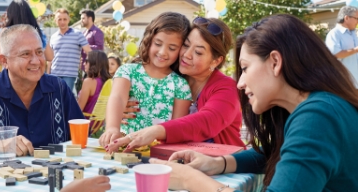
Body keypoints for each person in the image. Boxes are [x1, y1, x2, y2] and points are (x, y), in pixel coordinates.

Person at [151, 14, 358, 192]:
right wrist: (217, 163)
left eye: (246, 68)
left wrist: (191, 180)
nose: (240, 83)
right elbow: (274, 152)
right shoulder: (323, 106)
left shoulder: (318, 117)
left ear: (275, 62)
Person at [104, 17, 245, 151]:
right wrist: (123, 109)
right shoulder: (173, 77)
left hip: (223, 165)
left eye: (198, 52)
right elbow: (121, 98)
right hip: (176, 160)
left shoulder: (227, 88)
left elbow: (207, 122)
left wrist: (155, 131)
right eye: (186, 45)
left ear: (216, 61)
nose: (186, 54)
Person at [0, 25, 85, 163]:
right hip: (1, 180)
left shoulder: (58, 87)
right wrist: (1, 146)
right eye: (25, 54)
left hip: (56, 178)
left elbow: (80, 135)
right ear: (4, 61)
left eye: (39, 52)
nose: (36, 61)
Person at [99, 12, 194, 148]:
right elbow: (117, 98)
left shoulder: (180, 85)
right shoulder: (127, 71)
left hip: (158, 154)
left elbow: (176, 127)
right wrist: (112, 128)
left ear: (181, 51)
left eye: (172, 48)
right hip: (121, 146)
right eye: (158, 43)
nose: (162, 52)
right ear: (149, 40)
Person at [0, 0, 54, 72]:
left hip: (14, 75)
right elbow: (50, 56)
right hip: (35, 73)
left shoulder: (7, 31)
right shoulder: (40, 32)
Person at [50, 8, 92, 91]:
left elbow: (89, 52)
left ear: (68, 20)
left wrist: (90, 68)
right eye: (59, 19)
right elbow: (50, 58)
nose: (62, 22)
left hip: (69, 74)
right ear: (55, 21)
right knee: (56, 100)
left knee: (66, 98)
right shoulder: (53, 37)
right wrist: (47, 74)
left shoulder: (77, 34)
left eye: (65, 19)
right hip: (54, 73)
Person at [326, 6, 358, 88]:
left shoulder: (353, 33)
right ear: (347, 18)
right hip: (345, 84)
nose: (357, 21)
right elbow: (336, 54)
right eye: (356, 18)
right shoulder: (334, 34)